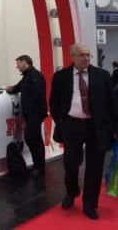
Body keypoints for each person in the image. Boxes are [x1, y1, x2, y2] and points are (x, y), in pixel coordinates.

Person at [50, 43, 118, 220]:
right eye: (81, 55)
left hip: (96, 126)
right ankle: (71, 192)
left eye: (88, 55)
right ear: (72, 56)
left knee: (95, 167)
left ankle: (90, 205)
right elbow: (54, 102)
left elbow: (112, 103)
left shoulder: (102, 75)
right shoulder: (60, 77)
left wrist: (115, 127)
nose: (86, 58)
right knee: (71, 162)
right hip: (71, 125)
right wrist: (61, 123)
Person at [6, 55, 47, 177]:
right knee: (33, 138)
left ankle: (39, 167)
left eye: (18, 63)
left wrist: (29, 111)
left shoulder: (35, 76)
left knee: (33, 139)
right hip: (31, 114)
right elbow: (17, 88)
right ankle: (38, 166)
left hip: (35, 113)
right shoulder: (26, 77)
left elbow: (37, 95)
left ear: (24, 62)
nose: (17, 66)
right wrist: (9, 89)